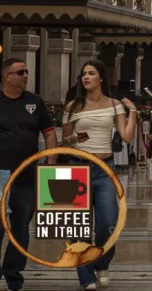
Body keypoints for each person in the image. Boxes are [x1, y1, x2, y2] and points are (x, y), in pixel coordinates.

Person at [0, 59, 57, 291]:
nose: (26, 75)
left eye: (26, 72)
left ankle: (13, 273)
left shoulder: (35, 102)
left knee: (21, 228)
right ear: (7, 76)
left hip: (27, 177)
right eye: (21, 72)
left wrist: (50, 166)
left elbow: (50, 134)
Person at [61, 60, 138, 291]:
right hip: (77, 168)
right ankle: (86, 277)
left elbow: (126, 137)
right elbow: (65, 140)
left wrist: (133, 111)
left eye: (91, 73)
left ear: (101, 78)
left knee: (108, 223)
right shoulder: (73, 106)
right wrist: (73, 139)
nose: (86, 77)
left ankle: (101, 262)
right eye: (83, 74)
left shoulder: (114, 105)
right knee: (78, 227)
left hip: (104, 169)